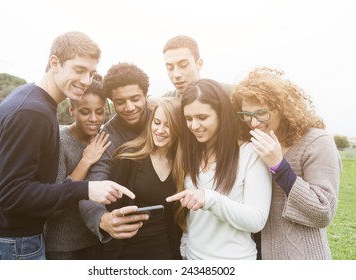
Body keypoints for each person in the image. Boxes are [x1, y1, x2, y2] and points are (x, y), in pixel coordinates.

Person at [0, 31, 134, 260]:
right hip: (10, 245)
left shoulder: (35, 104)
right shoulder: (31, 113)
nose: (86, 80)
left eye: (91, 73)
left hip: (11, 240)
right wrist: (86, 188)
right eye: (79, 70)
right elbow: (10, 195)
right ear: (55, 63)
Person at [231, 67, 341, 259]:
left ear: (282, 109)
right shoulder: (252, 143)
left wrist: (278, 166)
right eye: (245, 115)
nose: (253, 123)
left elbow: (323, 212)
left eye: (261, 113)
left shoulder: (317, 142)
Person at [166, 79, 272, 260]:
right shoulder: (190, 154)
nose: (194, 126)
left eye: (202, 117)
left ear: (221, 114)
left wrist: (209, 199)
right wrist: (185, 247)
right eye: (188, 119)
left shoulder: (249, 154)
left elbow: (256, 220)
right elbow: (191, 217)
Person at [78, 62, 152, 247]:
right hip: (126, 236)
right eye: (120, 102)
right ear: (111, 102)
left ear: (145, 96)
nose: (129, 107)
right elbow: (92, 186)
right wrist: (102, 218)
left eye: (135, 98)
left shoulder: (163, 122)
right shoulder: (107, 137)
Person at [103, 97, 183, 259]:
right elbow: (111, 212)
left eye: (168, 125)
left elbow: (172, 219)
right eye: (157, 122)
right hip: (126, 249)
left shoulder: (180, 165)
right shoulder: (128, 157)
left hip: (163, 248)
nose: (160, 130)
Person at [44, 79, 111, 260]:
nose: (94, 119)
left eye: (99, 112)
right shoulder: (59, 141)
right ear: (71, 110)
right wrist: (86, 161)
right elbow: (54, 202)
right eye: (84, 112)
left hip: (94, 239)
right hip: (62, 247)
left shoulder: (103, 138)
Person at [162, 35, 233, 98]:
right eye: (170, 68)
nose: (176, 75)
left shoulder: (230, 93)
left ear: (199, 64)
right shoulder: (164, 102)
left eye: (183, 65)